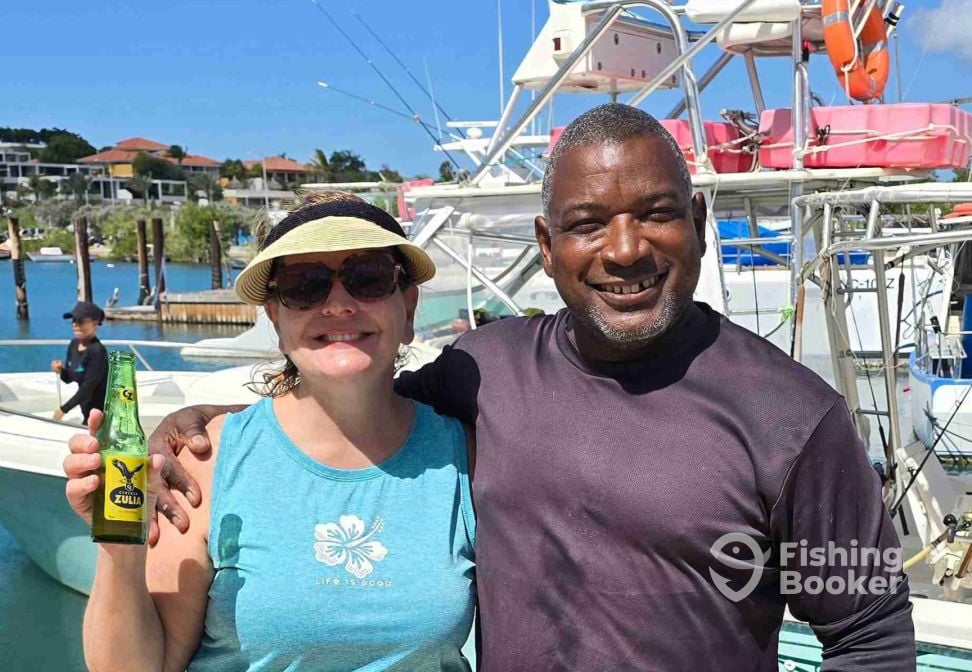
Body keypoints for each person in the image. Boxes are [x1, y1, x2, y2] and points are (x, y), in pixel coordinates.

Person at [148, 105, 915, 670]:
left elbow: (871, 633)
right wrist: (207, 429)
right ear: (547, 247)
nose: (625, 249)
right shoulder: (484, 373)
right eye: (588, 224)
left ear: (699, 221)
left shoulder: (792, 417)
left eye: (655, 214)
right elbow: (347, 403)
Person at [64, 192, 476, 671]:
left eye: (368, 278)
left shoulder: (463, 456)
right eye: (305, 285)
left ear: (408, 306)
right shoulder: (206, 460)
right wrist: (119, 544)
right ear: (276, 318)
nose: (338, 304)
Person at [52, 300, 108, 422]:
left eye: (81, 321)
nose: (75, 324)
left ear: (94, 323)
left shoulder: (98, 351)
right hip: (87, 413)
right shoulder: (73, 344)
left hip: (102, 415)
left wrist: (63, 410)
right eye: (74, 320)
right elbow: (69, 378)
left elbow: (87, 388)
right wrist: (60, 370)